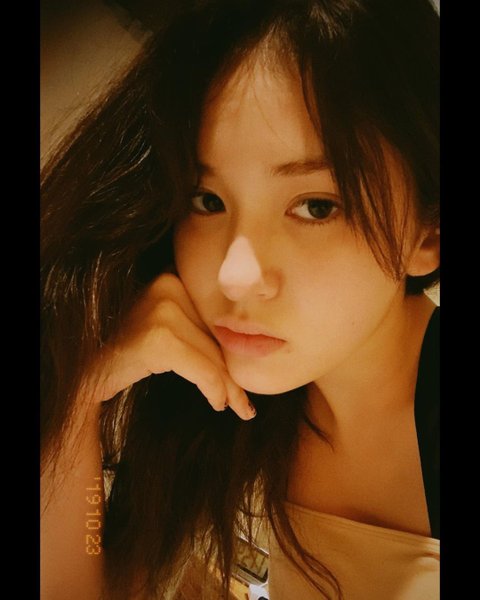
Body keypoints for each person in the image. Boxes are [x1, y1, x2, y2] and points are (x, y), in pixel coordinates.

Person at [40, 0, 440, 598]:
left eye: (316, 207)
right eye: (207, 201)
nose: (234, 275)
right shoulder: (230, 405)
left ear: (428, 235)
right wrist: (81, 402)